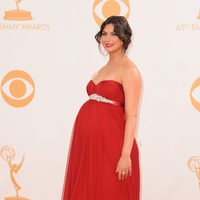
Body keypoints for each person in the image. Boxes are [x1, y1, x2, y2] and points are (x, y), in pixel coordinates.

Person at [61, 15, 142, 200]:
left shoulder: (130, 71)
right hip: (88, 145)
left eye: (114, 34)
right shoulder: (102, 69)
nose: (107, 39)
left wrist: (125, 154)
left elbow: (132, 116)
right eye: (104, 34)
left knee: (110, 191)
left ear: (124, 37)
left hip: (113, 146)